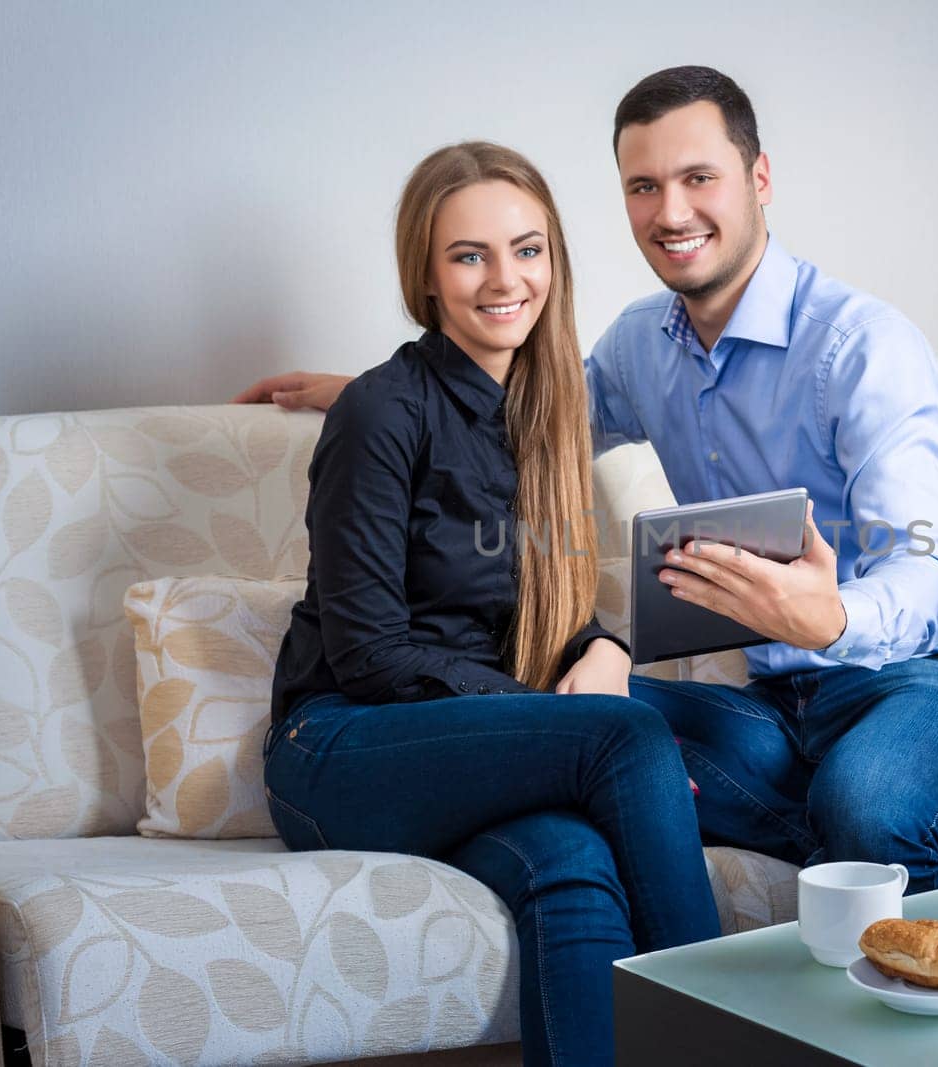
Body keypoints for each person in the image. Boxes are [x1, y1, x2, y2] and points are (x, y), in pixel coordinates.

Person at [240, 66, 938, 897]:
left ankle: (919, 902)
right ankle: (829, 862)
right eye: (644, 186)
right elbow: (527, 419)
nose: (672, 212)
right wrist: (373, 393)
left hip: (930, 675)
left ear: (759, 179)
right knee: (608, 737)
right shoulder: (640, 345)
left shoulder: (865, 347)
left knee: (865, 804)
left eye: (699, 178)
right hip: (779, 706)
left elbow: (925, 567)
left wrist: (828, 616)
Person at [260, 141, 719, 1067]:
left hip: (478, 739)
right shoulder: (380, 413)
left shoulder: (547, 419)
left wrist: (602, 650)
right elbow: (370, 657)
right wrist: (556, 722)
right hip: (341, 746)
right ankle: (729, 1042)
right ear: (425, 278)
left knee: (576, 863)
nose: (505, 279)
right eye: (469, 255)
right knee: (626, 739)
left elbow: (531, 614)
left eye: (528, 248)